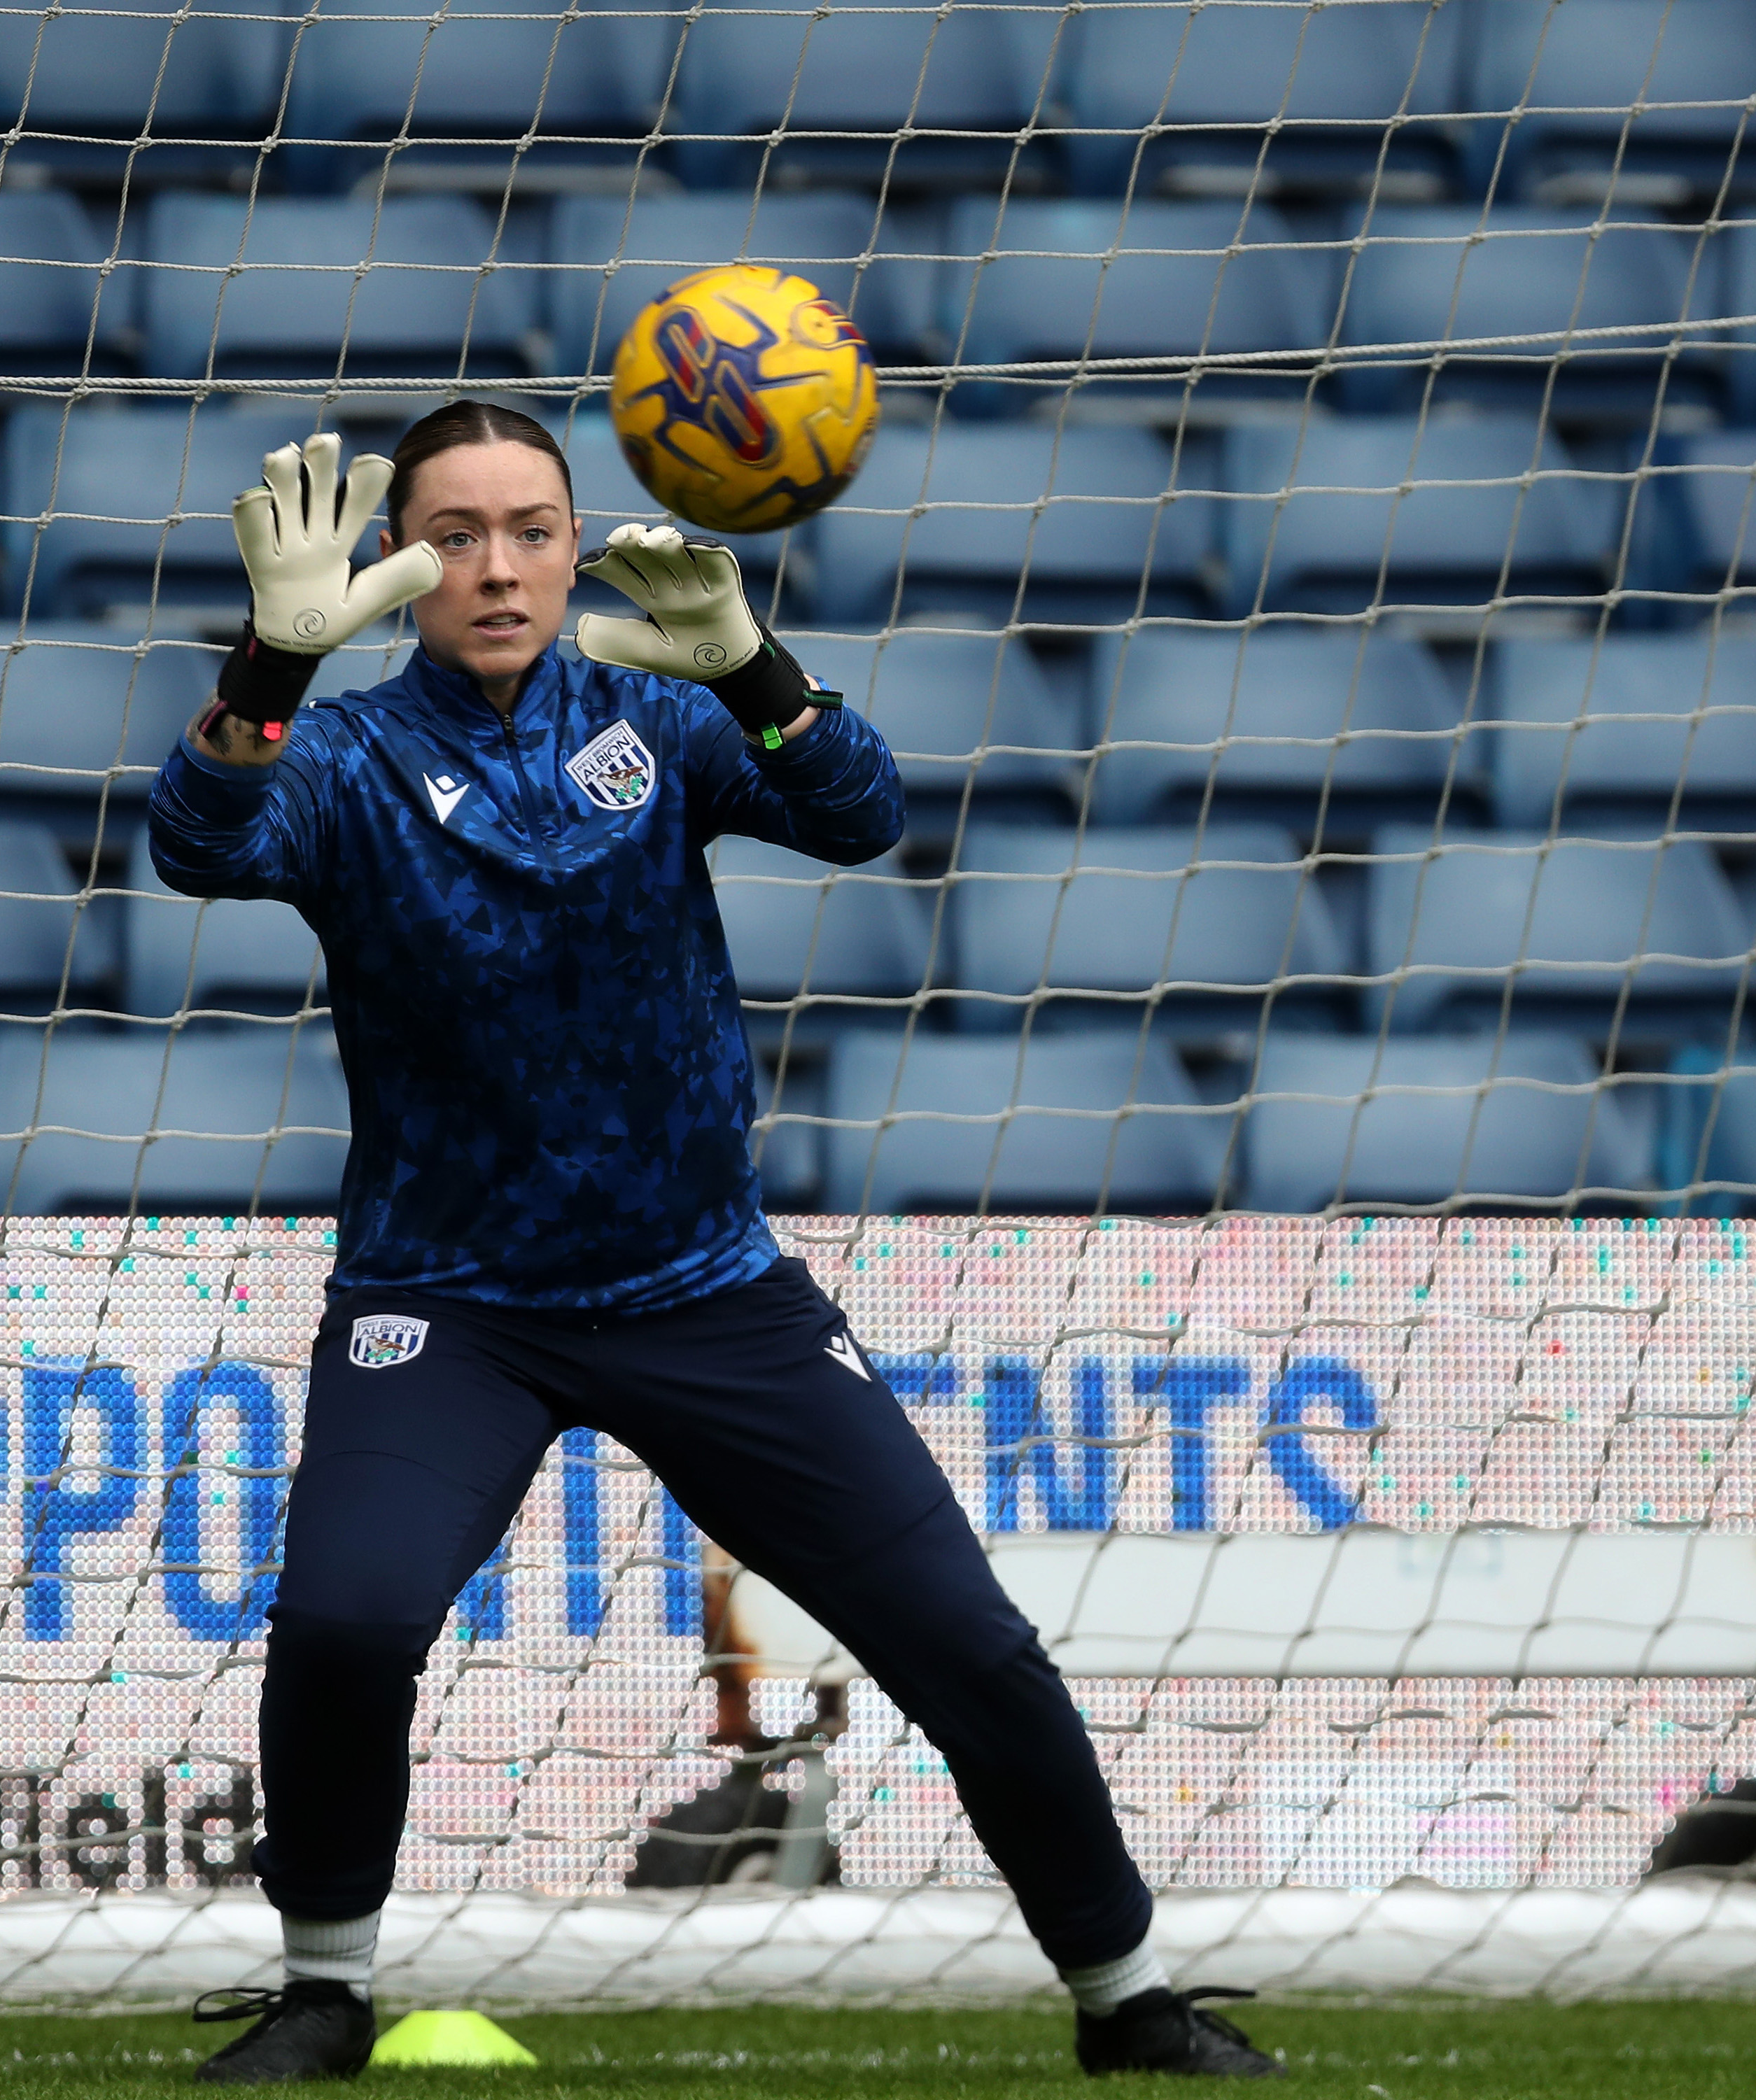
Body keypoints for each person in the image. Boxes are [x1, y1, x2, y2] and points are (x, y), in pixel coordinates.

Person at [146, 402, 1279, 2083]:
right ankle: (324, 1988)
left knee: (967, 1645)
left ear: (578, 537)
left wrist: (756, 664)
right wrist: (266, 669)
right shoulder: (347, 760)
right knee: (344, 1625)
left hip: (705, 1293)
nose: (497, 565)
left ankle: (1129, 2001)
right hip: (449, 1306)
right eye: (450, 534)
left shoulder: (660, 718)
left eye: (530, 525)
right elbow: (202, 846)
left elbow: (862, 815)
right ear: (391, 565)